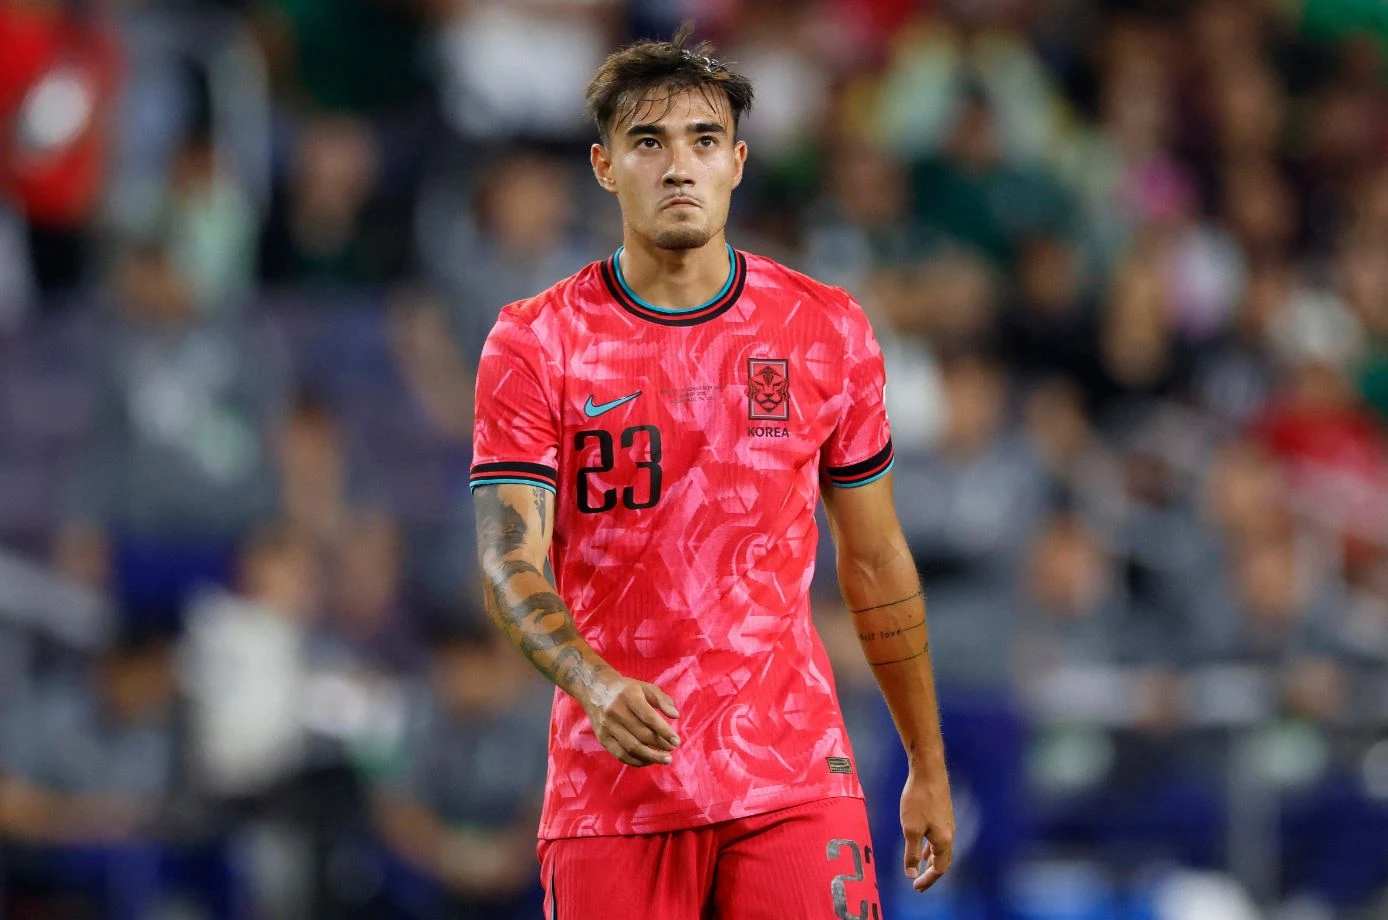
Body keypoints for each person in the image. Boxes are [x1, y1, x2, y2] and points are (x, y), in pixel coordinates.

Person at [470, 24, 954, 920]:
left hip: (792, 779)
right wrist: (594, 684)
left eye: (702, 141)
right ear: (604, 167)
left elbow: (877, 559)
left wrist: (926, 759)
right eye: (648, 143)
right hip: (612, 794)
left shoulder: (825, 330)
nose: (678, 168)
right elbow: (509, 560)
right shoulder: (536, 343)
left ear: (737, 162)